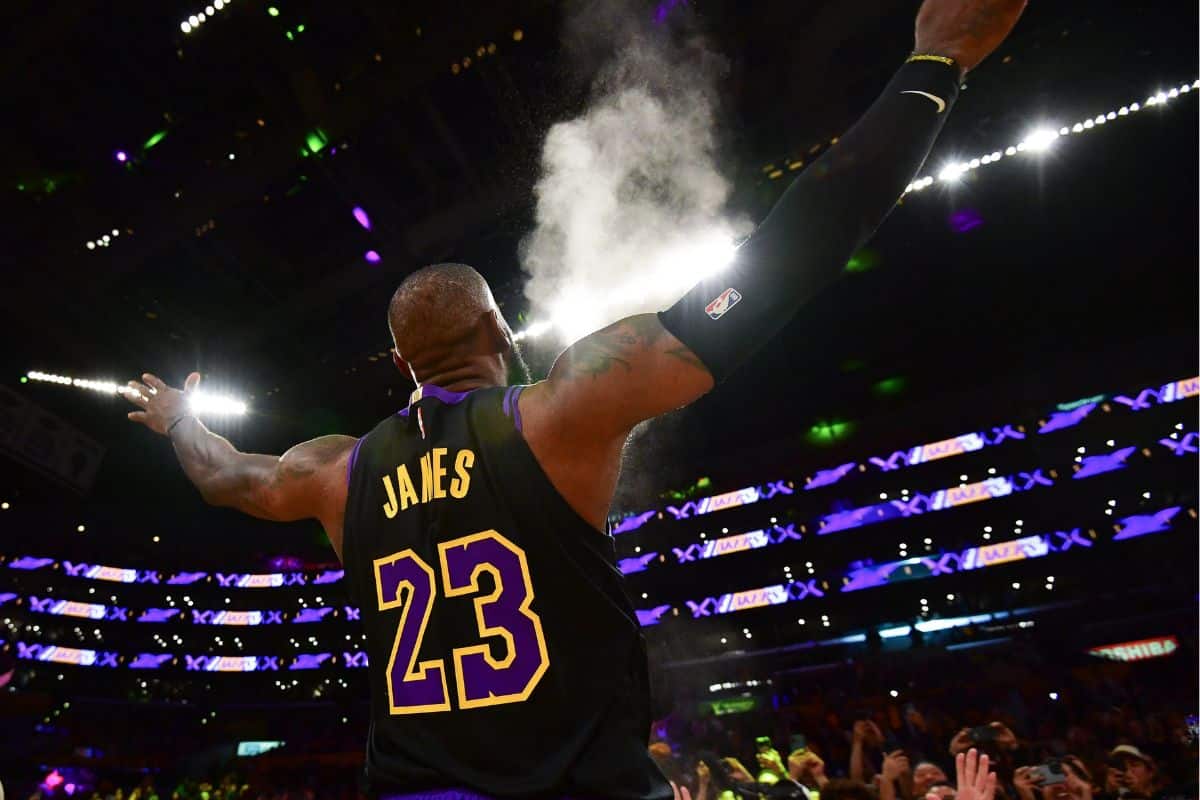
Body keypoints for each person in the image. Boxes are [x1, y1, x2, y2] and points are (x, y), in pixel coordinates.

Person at [123, 0, 1027, 795]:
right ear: (502, 333)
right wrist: (935, 62)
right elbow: (785, 261)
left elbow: (225, 476)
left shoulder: (334, 472)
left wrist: (178, 421)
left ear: (401, 365)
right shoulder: (557, 412)